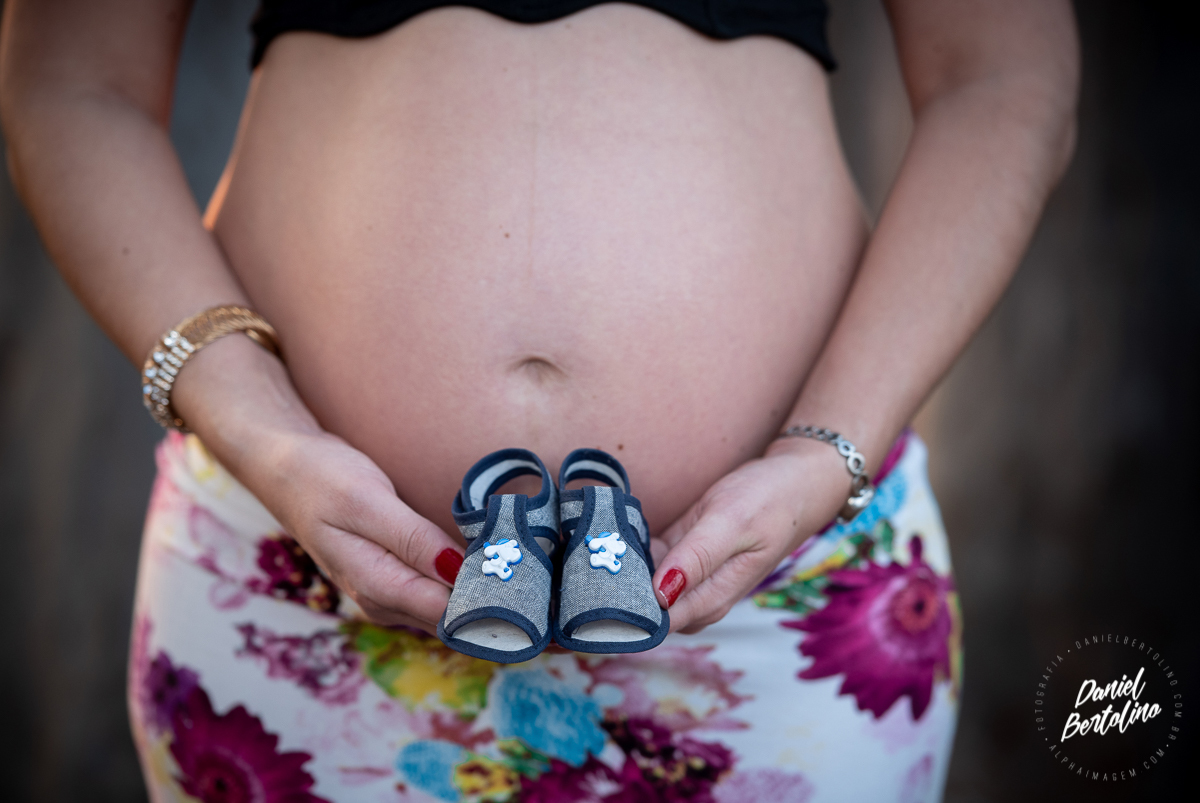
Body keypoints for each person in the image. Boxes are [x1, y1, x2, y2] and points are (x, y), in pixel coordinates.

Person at [0, 1, 1078, 799]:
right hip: (299, 578)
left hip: (779, 600)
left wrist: (823, 454)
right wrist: (260, 431)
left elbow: (1000, 78)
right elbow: (73, 79)